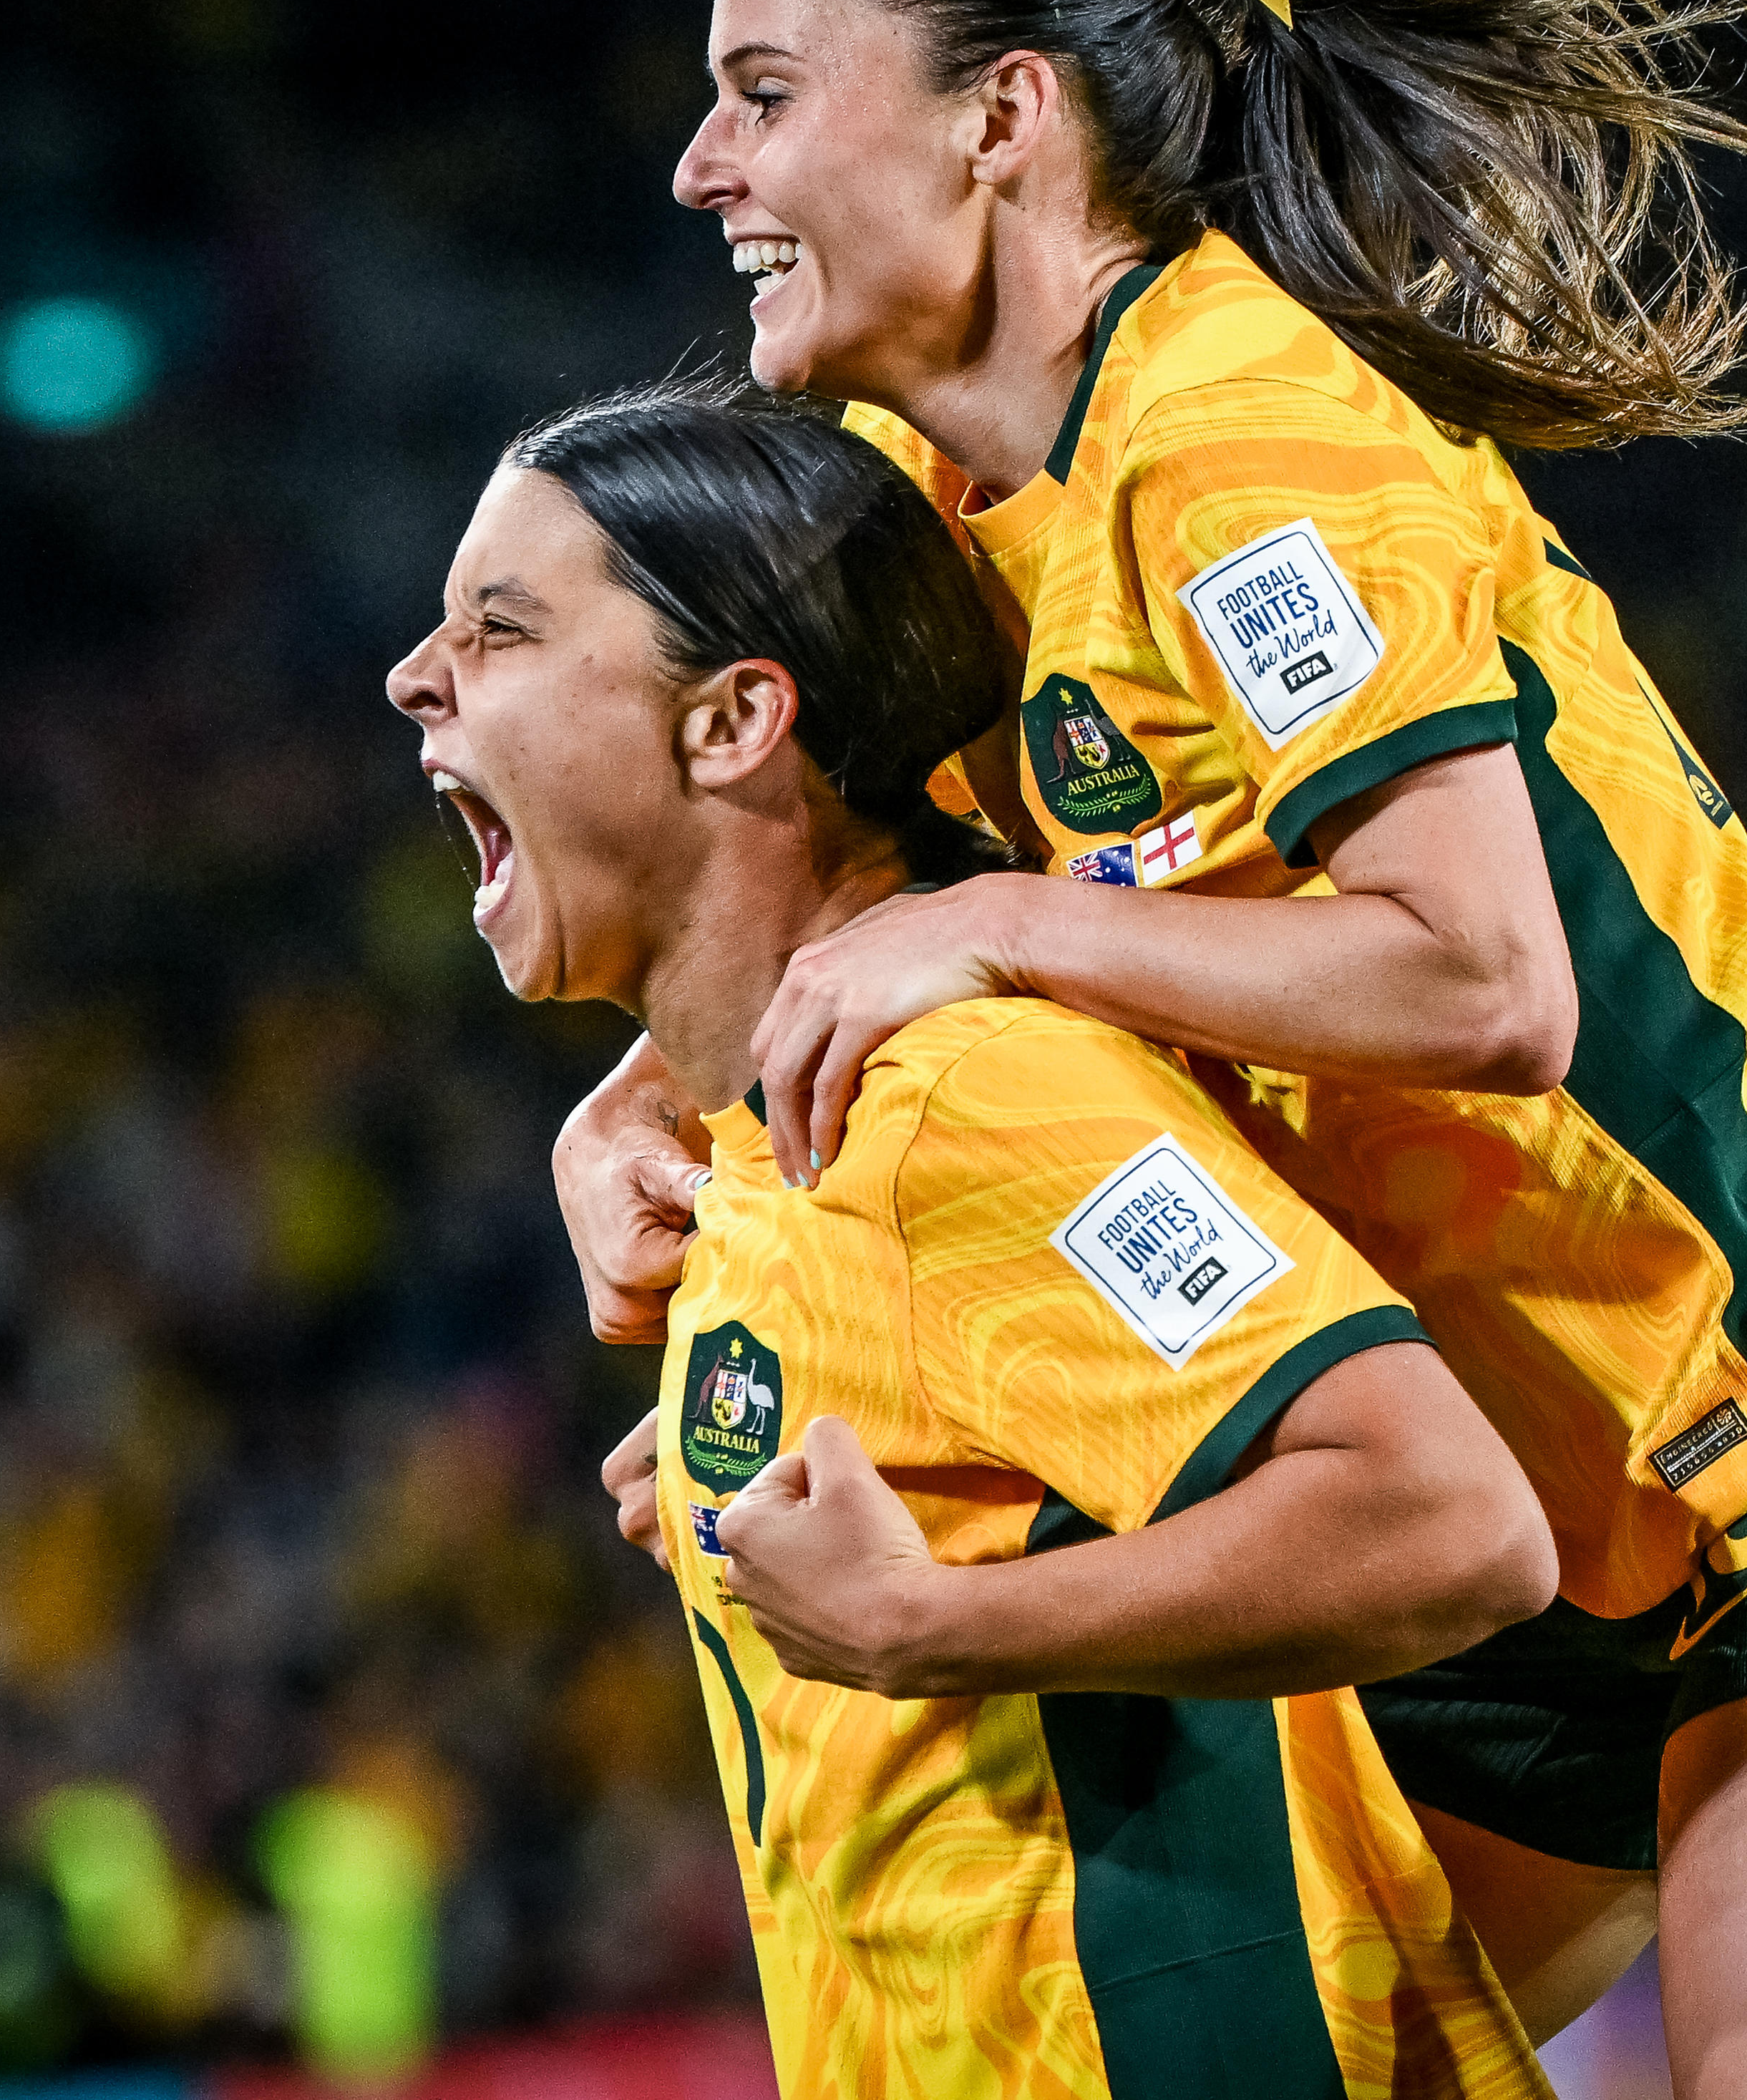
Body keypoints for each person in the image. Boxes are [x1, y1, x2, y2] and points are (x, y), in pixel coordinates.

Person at [560, 0, 1747, 2091]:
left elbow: (1488, 981)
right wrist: (638, 1115)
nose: (704, 163)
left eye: (766, 88)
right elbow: (817, 910)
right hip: (1542, 1536)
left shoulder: (1238, 446)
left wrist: (1002, 927)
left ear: (1008, 115)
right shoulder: (946, 506)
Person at [386, 382, 1564, 2099]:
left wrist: (932, 1626)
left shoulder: (968, 1096)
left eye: (498, 629)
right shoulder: (762, 1146)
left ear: (731, 720)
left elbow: (1449, 1518)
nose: (417, 675)